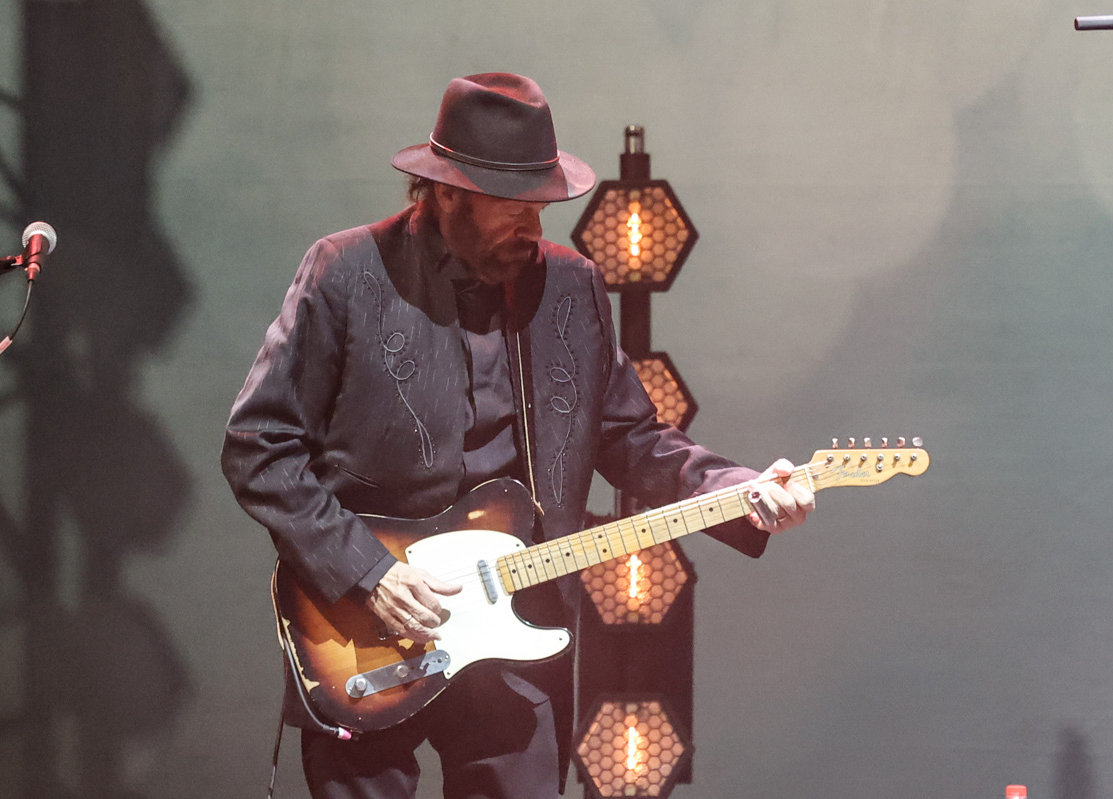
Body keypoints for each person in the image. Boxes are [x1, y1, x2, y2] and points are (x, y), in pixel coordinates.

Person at [221, 72, 815, 799]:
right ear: (447, 194)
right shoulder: (347, 272)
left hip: (519, 627)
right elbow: (259, 445)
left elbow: (632, 436)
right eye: (513, 207)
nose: (533, 229)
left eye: (541, 208)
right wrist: (370, 573)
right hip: (364, 631)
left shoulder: (570, 284)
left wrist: (738, 489)